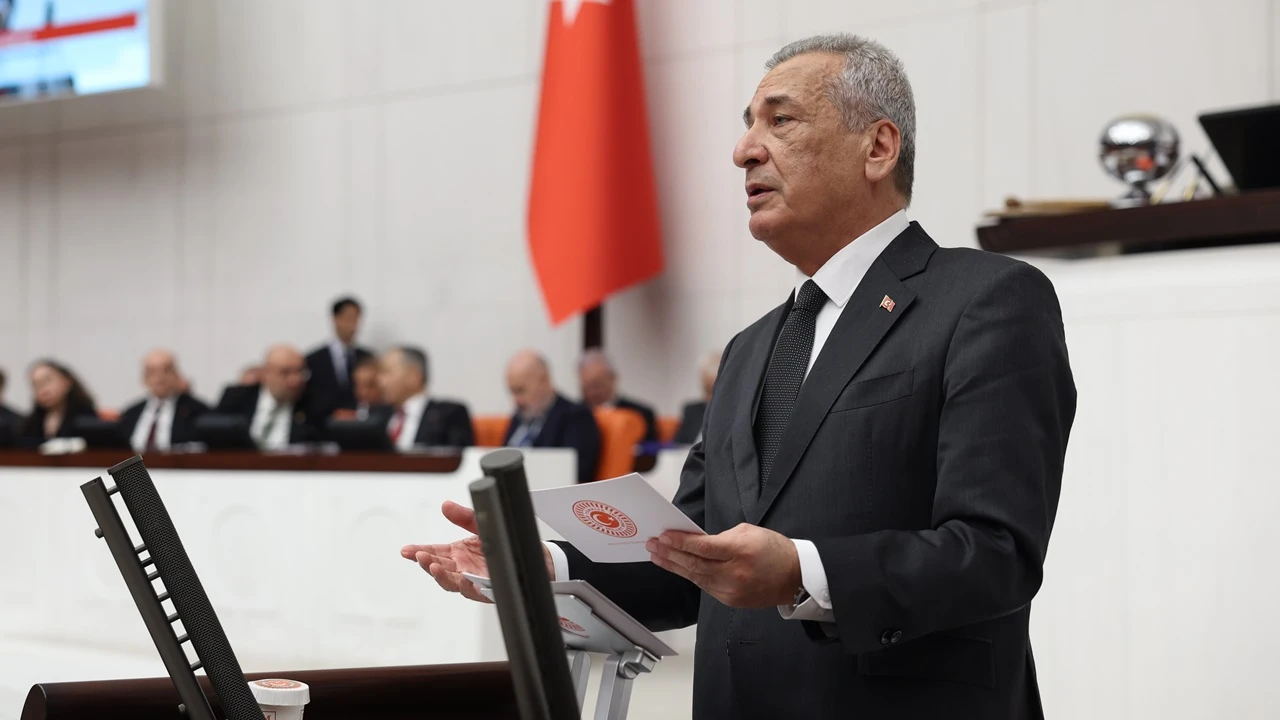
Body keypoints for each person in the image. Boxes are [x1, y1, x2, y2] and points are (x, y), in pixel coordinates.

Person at [403, 34, 1076, 720]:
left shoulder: (985, 301)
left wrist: (803, 572)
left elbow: (996, 553)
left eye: (780, 120)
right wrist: (547, 566)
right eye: (748, 124)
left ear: (878, 148)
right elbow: (689, 557)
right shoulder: (750, 350)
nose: (744, 150)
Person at [502, 349, 601, 484]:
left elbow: (575, 472)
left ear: (544, 380)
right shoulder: (520, 417)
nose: (516, 400)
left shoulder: (575, 417)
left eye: (521, 390)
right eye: (512, 392)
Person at [216, 345, 323, 449]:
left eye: (300, 372)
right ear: (266, 373)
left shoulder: (313, 405)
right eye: (285, 372)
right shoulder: (236, 398)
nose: (295, 380)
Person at [373, 346, 474, 450]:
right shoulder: (376, 415)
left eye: (387, 372)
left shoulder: (450, 413)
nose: (379, 381)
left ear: (413, 376)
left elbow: (458, 456)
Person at [118, 349, 210, 452]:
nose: (160, 377)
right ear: (144, 378)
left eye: (166, 370)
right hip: (137, 463)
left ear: (177, 374)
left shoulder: (196, 411)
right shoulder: (131, 413)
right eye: (152, 372)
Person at [305, 297, 374, 416]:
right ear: (335, 319)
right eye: (348, 318)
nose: (353, 325)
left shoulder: (367, 357)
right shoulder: (313, 359)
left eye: (356, 319)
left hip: (360, 421)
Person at [578, 348, 658, 443]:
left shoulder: (640, 414)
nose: (594, 391)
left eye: (598, 384)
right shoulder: (573, 415)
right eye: (588, 385)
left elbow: (650, 450)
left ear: (613, 378)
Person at [19, 359, 98, 443]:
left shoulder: (86, 419)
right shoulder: (29, 425)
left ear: (67, 381)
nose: (43, 390)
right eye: (36, 385)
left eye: (47, 381)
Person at [674, 350, 722, 444]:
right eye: (708, 391)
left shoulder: (735, 412)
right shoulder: (691, 410)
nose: (710, 399)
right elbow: (678, 443)